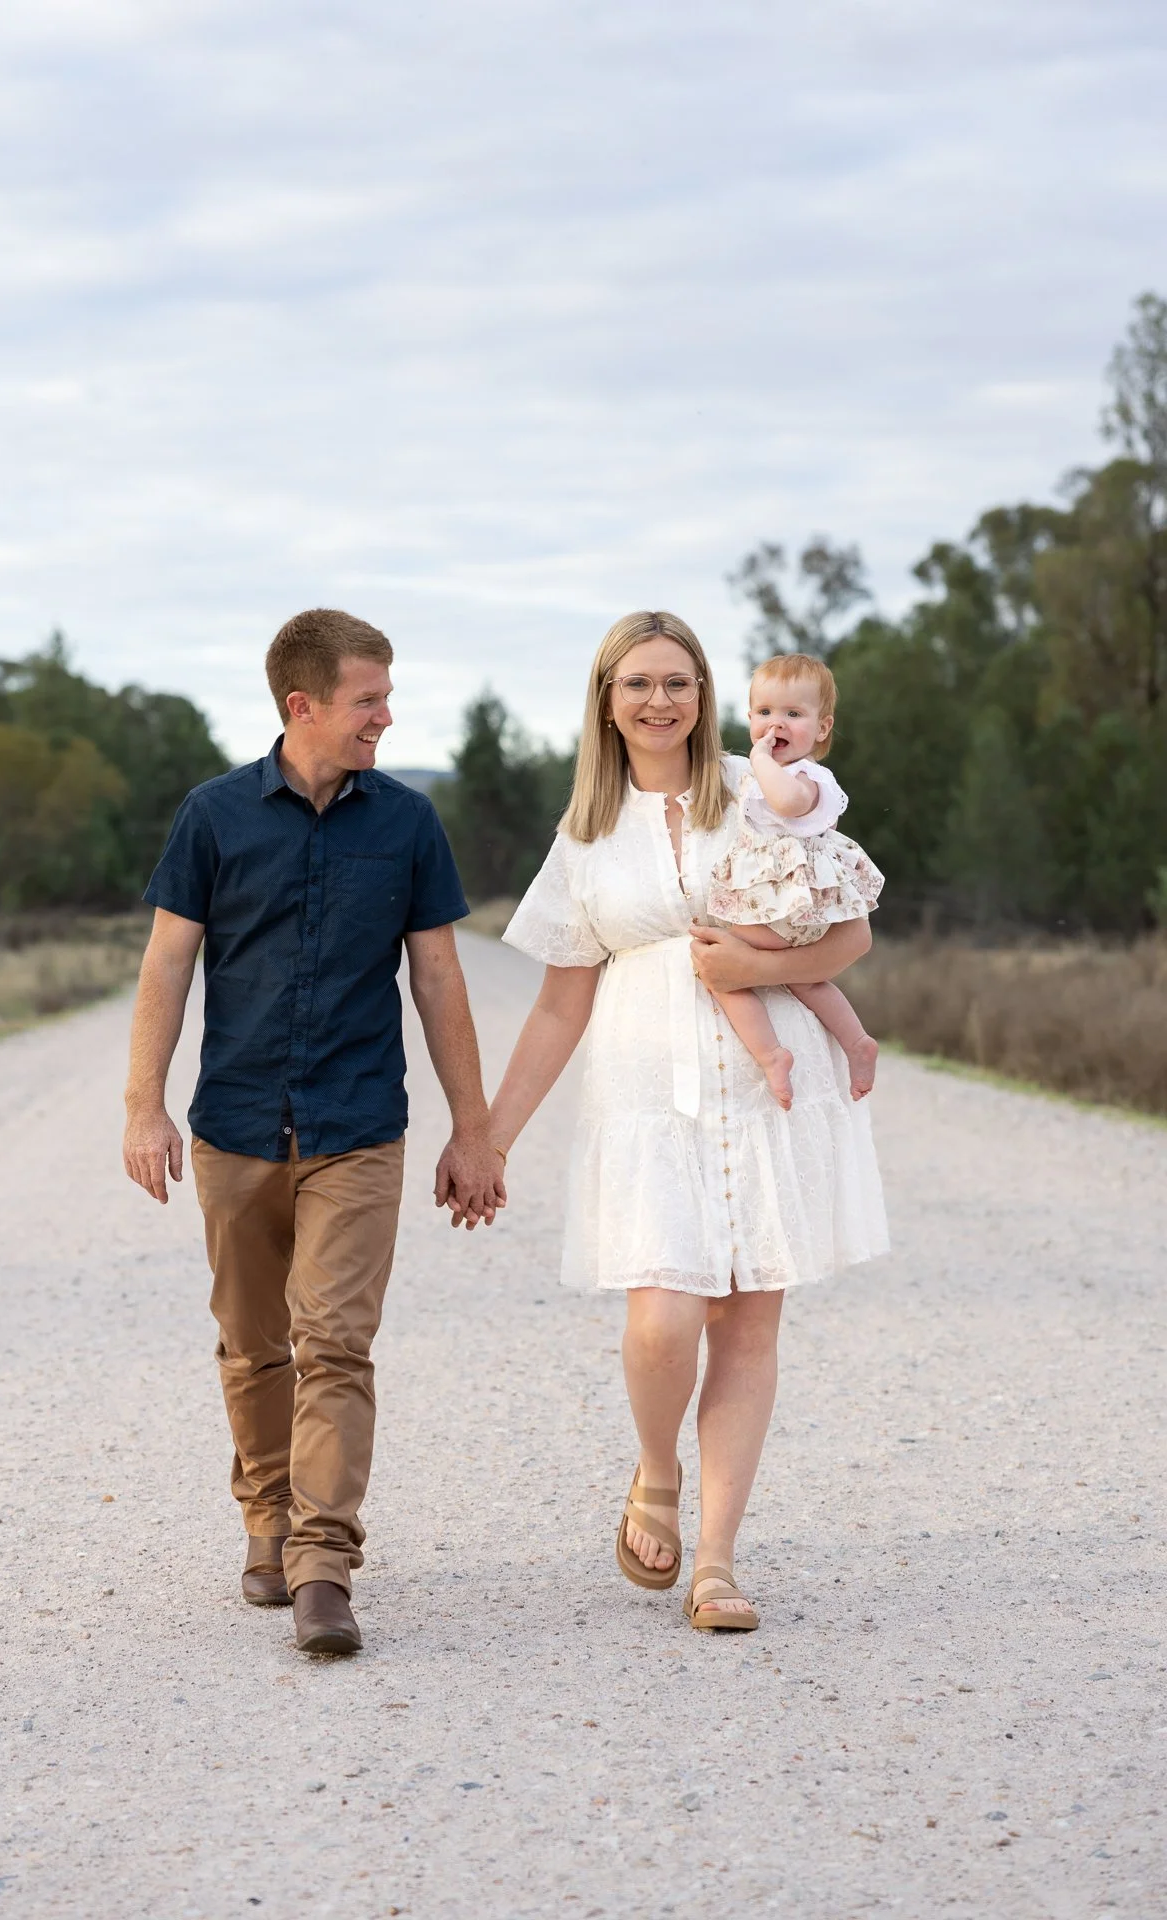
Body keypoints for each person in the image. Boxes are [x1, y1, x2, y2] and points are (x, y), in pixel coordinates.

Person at [487, 611, 887, 1632]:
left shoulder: (760, 795)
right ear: (606, 700)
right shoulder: (584, 834)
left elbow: (848, 934)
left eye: (677, 682)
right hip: (642, 1098)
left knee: (749, 1325)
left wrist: (760, 968)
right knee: (662, 1318)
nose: (658, 701)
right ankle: (654, 1470)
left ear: (704, 696)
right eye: (637, 684)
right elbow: (556, 1003)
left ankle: (715, 1561)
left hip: (767, 1092)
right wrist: (489, 1134)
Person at [122, 609, 504, 1657]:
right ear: (304, 706)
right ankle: (267, 1521)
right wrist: (140, 1103)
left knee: (333, 1342)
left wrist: (475, 1131)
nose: (386, 715)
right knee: (254, 1347)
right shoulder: (211, 818)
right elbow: (167, 965)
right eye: (368, 699)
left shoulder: (408, 823)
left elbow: (437, 977)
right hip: (236, 1126)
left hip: (357, 1128)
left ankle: (323, 1563)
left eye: (385, 697)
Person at [705, 652, 885, 1110]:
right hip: (786, 909)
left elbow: (785, 803)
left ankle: (771, 1056)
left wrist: (758, 759)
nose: (775, 724)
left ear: (821, 728)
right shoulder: (768, 776)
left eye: (792, 714)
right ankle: (856, 1041)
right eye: (764, 713)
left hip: (797, 907)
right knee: (804, 980)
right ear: (748, 717)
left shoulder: (807, 777)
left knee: (720, 964)